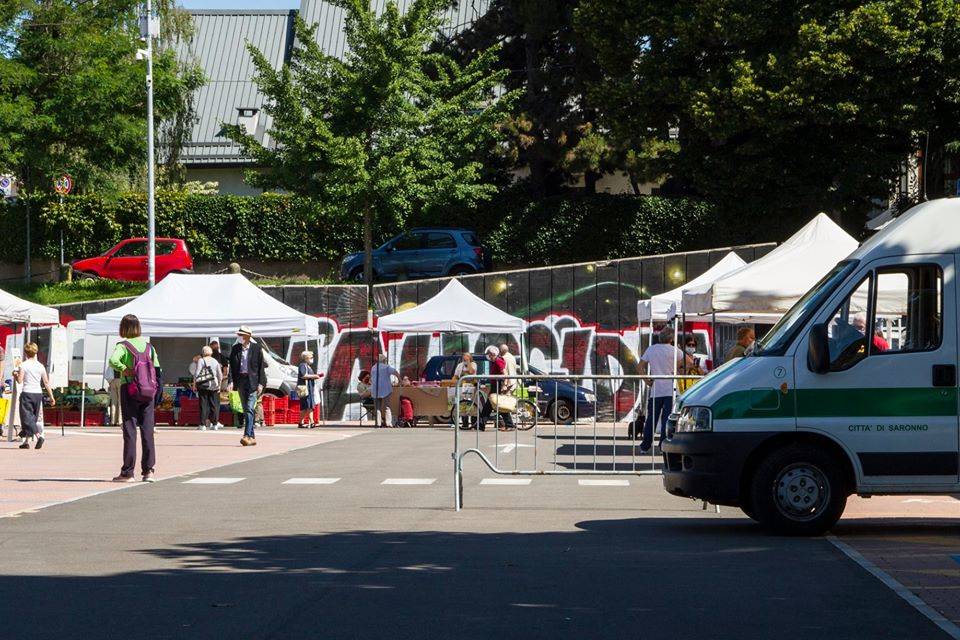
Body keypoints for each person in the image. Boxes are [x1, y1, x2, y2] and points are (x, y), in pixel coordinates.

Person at [108, 314, 160, 482]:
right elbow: (158, 370)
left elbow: (112, 361)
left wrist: (125, 368)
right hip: (148, 391)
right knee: (147, 431)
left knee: (130, 430)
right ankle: (148, 471)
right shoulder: (149, 347)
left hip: (129, 388)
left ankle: (128, 472)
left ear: (123, 328)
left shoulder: (123, 346)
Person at [638, 327, 692, 452]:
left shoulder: (651, 349)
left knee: (652, 418)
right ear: (671, 338)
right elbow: (689, 362)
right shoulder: (674, 350)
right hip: (670, 389)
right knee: (667, 418)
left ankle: (645, 446)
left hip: (656, 389)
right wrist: (677, 366)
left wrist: (646, 380)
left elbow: (640, 366)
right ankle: (663, 444)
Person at [229, 326, 266, 446]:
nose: (239, 337)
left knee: (250, 408)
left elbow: (261, 367)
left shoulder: (256, 348)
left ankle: (246, 435)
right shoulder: (235, 349)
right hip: (240, 381)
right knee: (246, 409)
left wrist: (261, 383)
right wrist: (231, 381)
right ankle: (252, 437)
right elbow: (231, 367)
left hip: (253, 381)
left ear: (248, 336)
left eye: (241, 335)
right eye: (238, 335)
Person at [14, 343, 55, 450]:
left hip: (27, 393)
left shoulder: (23, 365)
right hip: (38, 394)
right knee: (32, 418)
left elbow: (19, 380)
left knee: (27, 418)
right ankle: (26, 442)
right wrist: (51, 396)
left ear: (26, 353)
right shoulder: (40, 366)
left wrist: (15, 375)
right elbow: (46, 382)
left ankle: (38, 436)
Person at [477, 345, 514, 432]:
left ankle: (481, 425)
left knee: (496, 405)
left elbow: (504, 373)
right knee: (492, 406)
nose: (489, 356)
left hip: (498, 386)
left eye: (490, 355)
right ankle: (481, 425)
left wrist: (504, 384)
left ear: (493, 354)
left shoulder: (498, 361)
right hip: (495, 385)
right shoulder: (495, 362)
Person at [193, 345, 223, 431]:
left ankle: (203, 424)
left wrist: (194, 384)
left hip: (203, 385)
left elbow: (197, 373)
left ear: (203, 353)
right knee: (214, 405)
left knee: (203, 404)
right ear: (211, 353)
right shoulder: (215, 361)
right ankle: (215, 424)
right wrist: (219, 385)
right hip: (214, 385)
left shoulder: (201, 360)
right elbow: (220, 374)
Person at [370, 354, 399, 427]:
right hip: (386, 389)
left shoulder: (373, 367)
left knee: (377, 408)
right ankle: (388, 423)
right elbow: (395, 372)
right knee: (387, 407)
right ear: (384, 360)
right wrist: (400, 380)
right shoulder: (386, 367)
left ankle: (378, 423)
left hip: (375, 389)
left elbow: (372, 378)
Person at [297, 351, 322, 428]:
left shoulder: (308, 366)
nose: (312, 359)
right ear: (306, 358)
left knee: (306, 406)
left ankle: (301, 422)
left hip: (309, 388)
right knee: (308, 405)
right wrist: (315, 376)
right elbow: (303, 375)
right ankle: (312, 422)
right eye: (311, 357)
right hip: (305, 388)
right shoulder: (302, 365)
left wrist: (316, 376)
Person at [453, 353, 477, 430]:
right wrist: (452, 382)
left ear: (470, 358)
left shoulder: (473, 364)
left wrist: (468, 363)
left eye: (466, 358)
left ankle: (474, 423)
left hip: (471, 387)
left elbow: (471, 372)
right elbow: (456, 375)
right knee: (463, 404)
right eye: (464, 359)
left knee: (472, 405)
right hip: (462, 387)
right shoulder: (460, 365)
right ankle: (465, 423)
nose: (465, 360)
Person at [105, 360, 122, 426]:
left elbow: (108, 372)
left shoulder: (112, 360)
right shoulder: (121, 360)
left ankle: (113, 421)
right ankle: (120, 421)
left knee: (114, 402)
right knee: (120, 402)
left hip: (112, 381)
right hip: (120, 380)